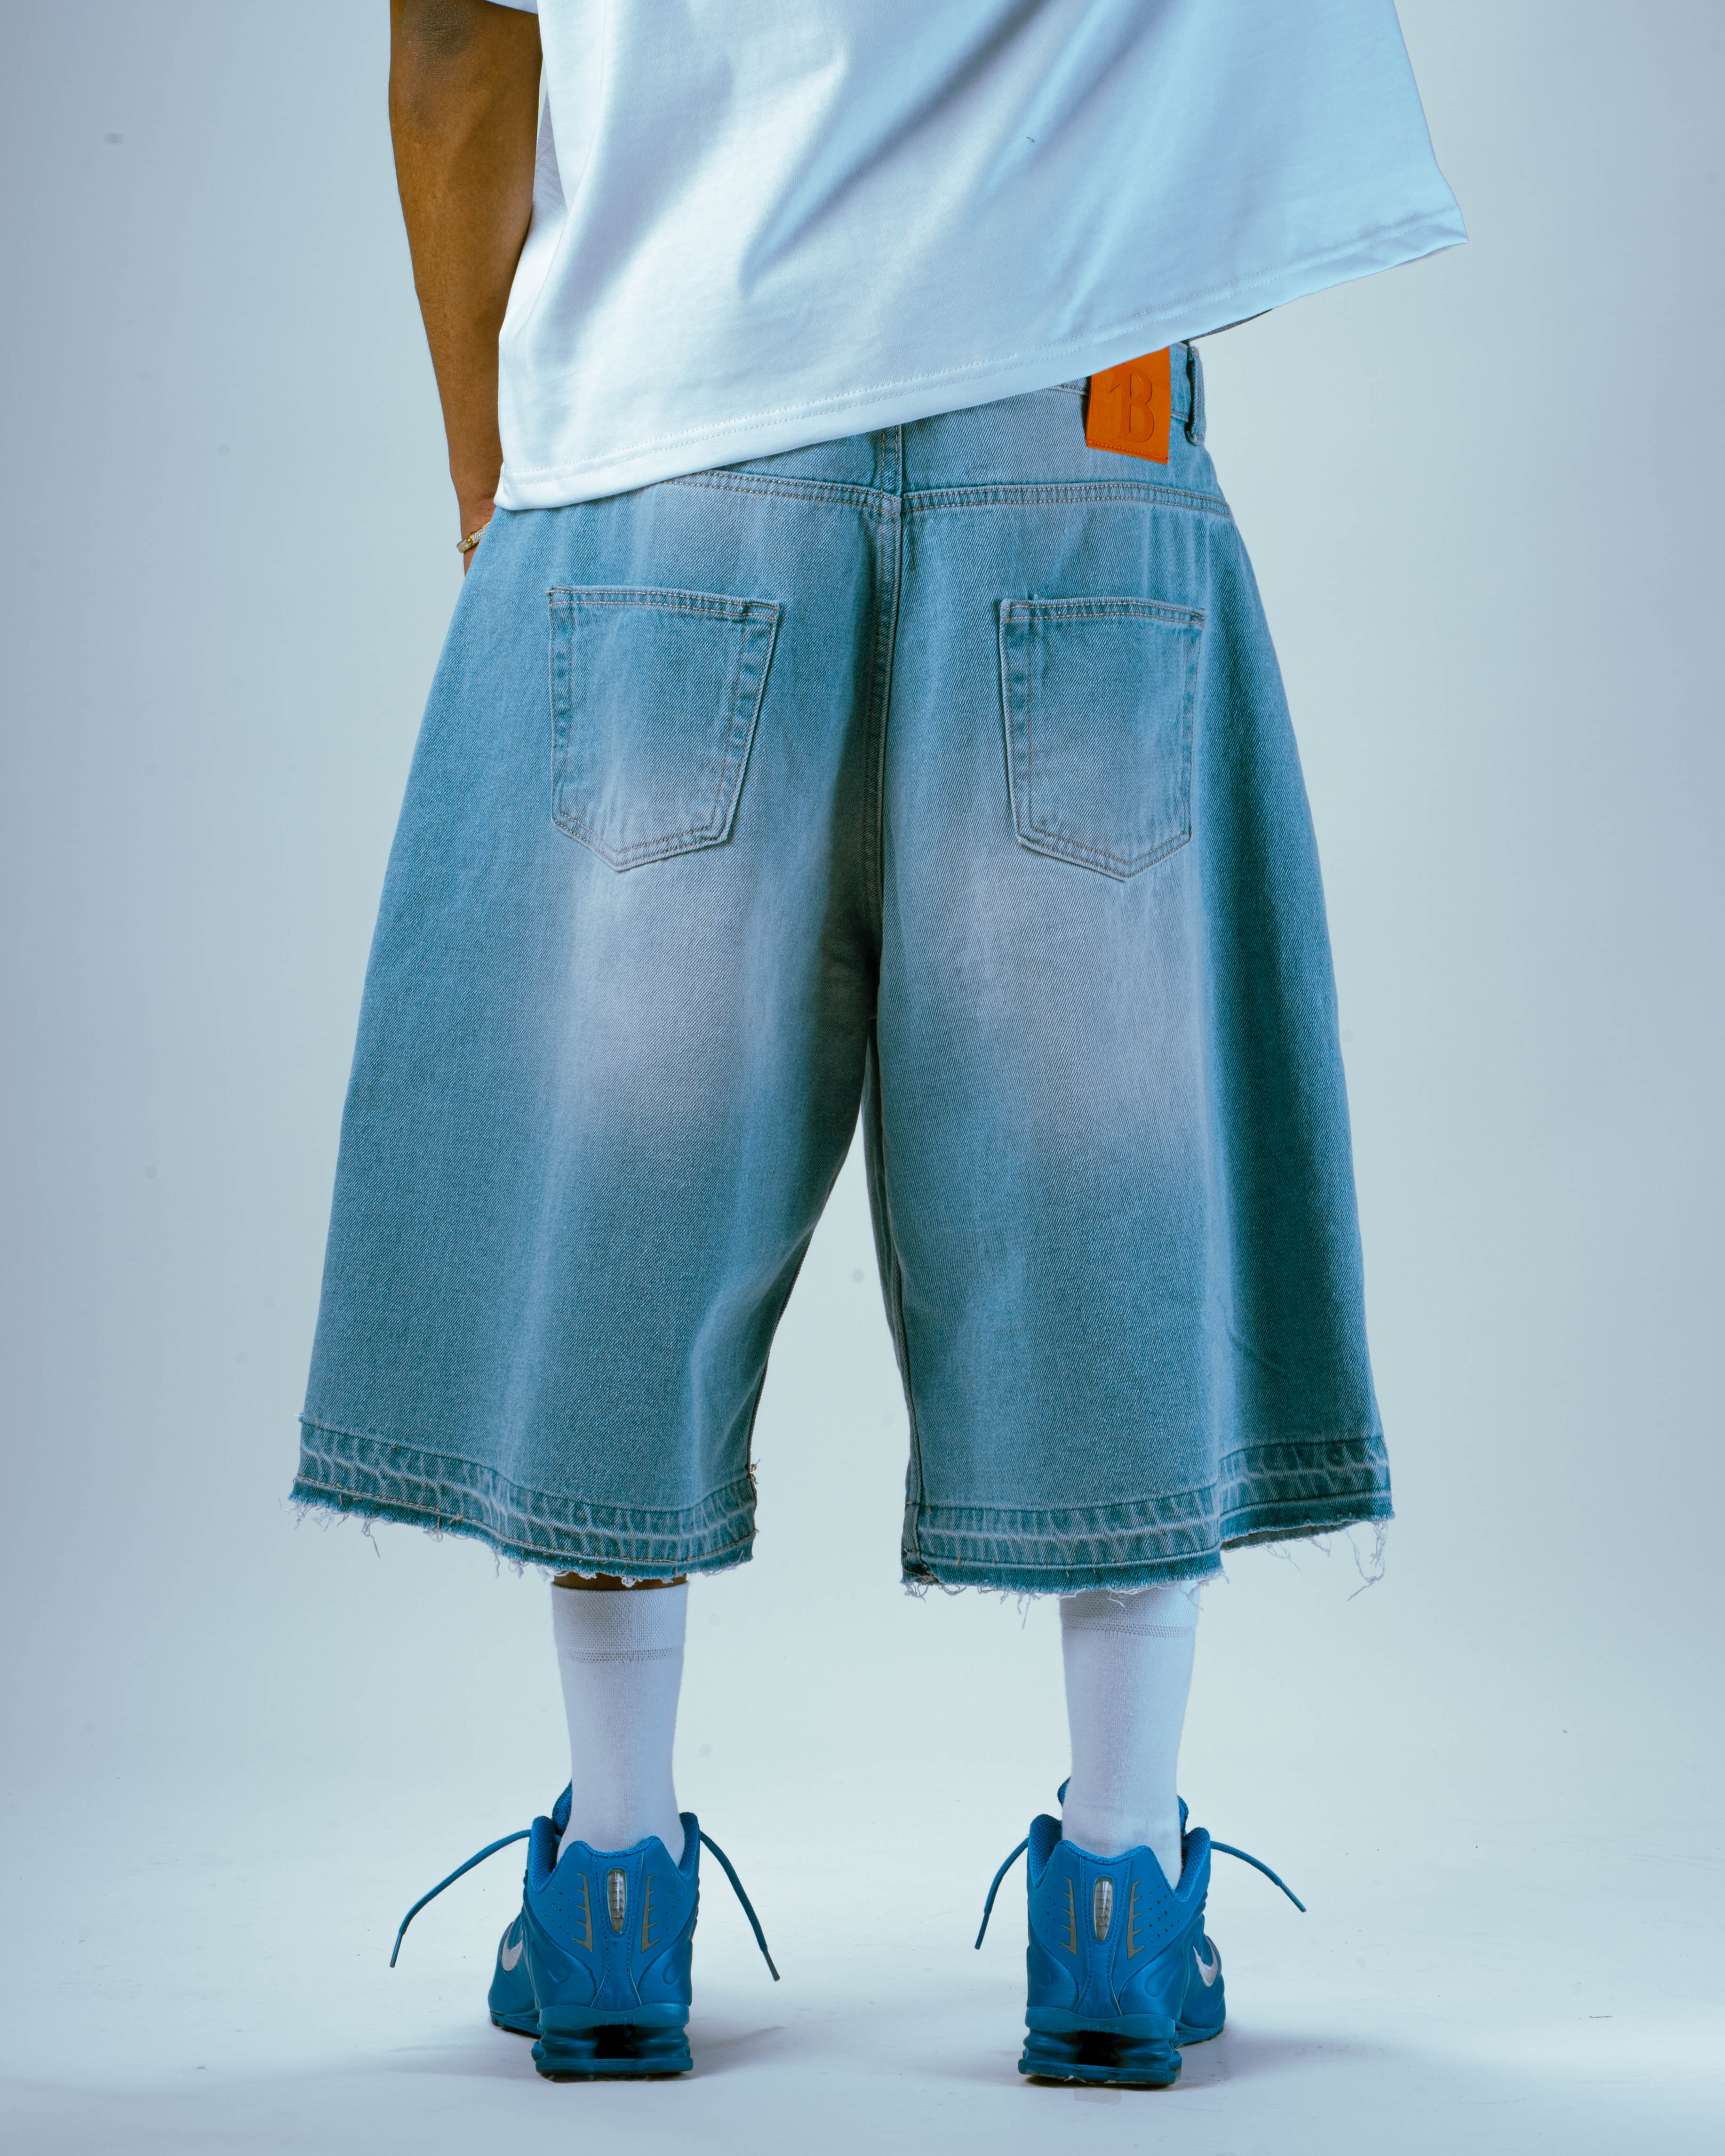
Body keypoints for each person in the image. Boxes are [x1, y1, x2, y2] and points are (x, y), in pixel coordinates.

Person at [295, 0, 1463, 2088]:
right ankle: (1119, 1889)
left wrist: (501, 481)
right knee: (1098, 1148)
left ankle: (612, 1881)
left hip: (665, 422)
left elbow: (459, 43)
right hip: (1075, 402)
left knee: (633, 1170)